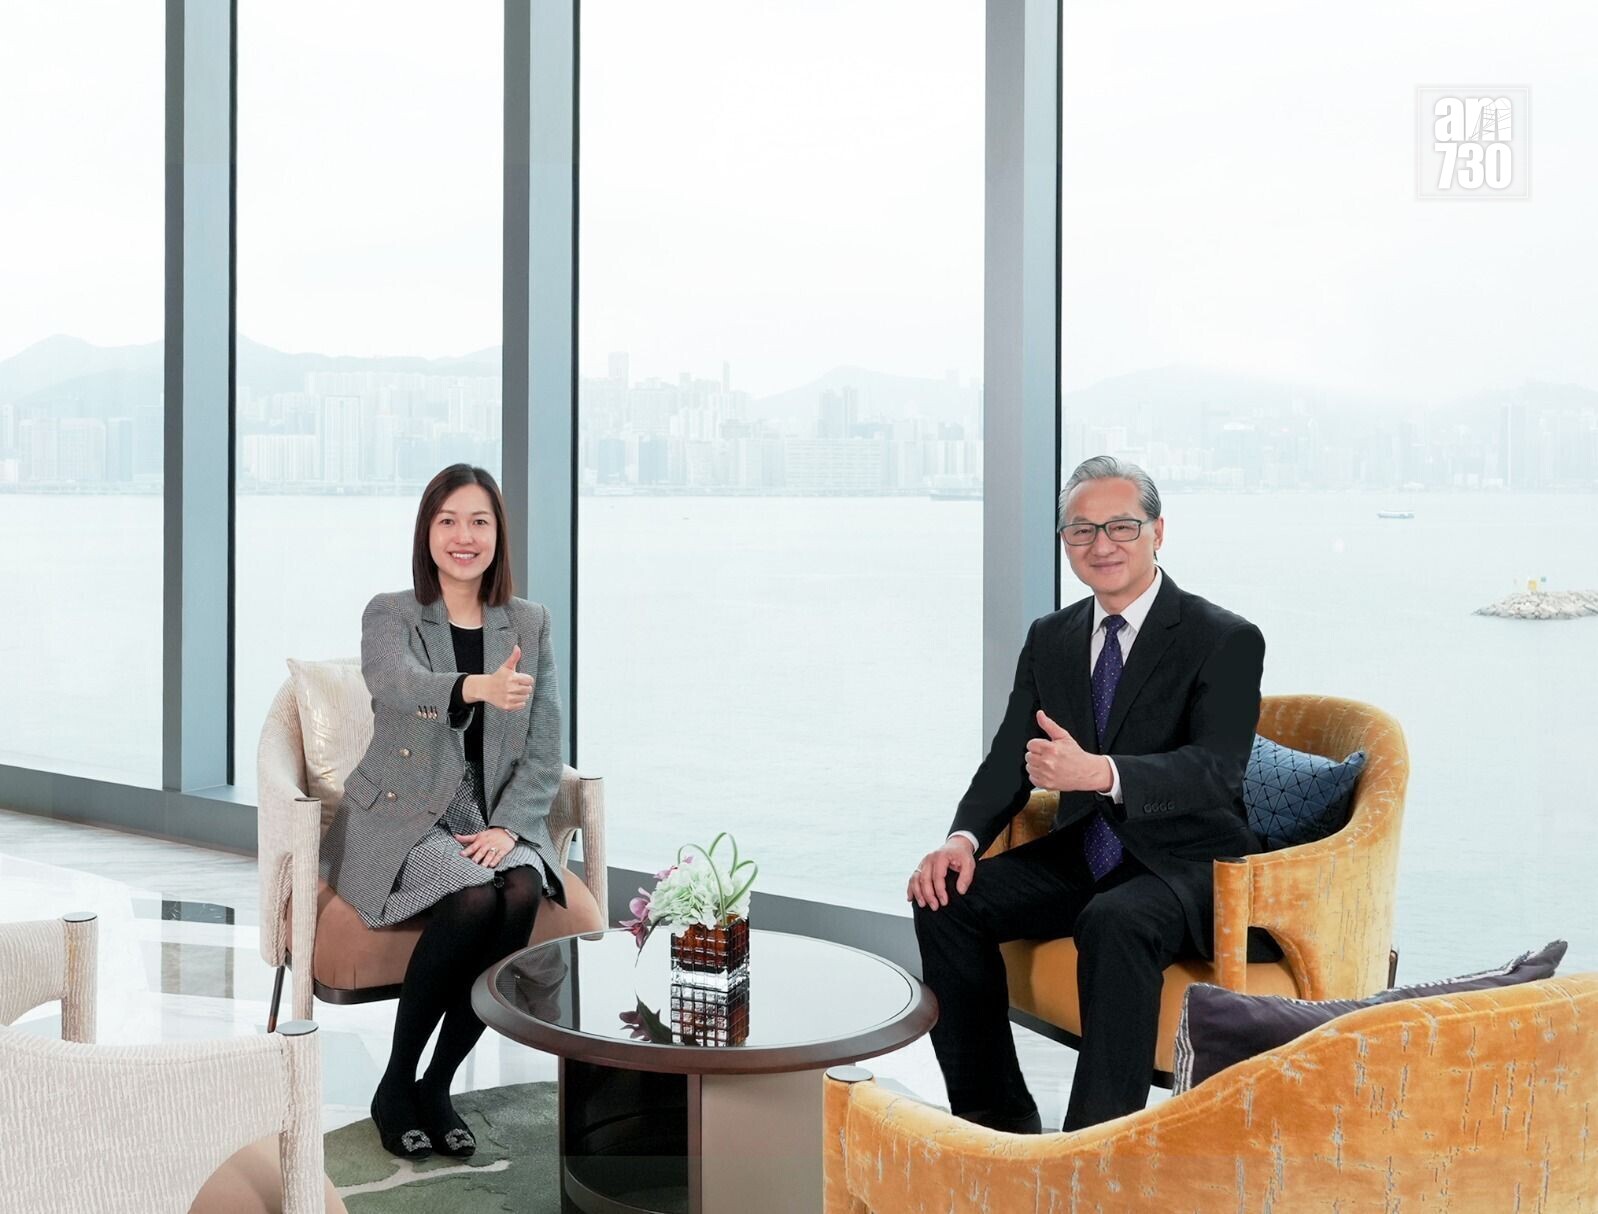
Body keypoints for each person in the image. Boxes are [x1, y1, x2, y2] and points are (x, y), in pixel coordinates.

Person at [908, 455, 1268, 1133]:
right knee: (944, 899)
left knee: (1116, 920)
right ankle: (997, 1125)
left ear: (1159, 532)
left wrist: (1099, 773)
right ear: (1065, 542)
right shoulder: (1052, 638)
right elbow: (1007, 762)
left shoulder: (1224, 637)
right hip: (1088, 852)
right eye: (1081, 531)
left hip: (1190, 861)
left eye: (1121, 527)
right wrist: (960, 841)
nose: (1101, 545)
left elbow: (1216, 771)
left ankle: (1095, 1152)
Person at [321, 463, 569, 1160]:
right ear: (428, 532)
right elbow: (394, 685)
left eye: (479, 522)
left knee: (517, 885)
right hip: (405, 811)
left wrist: (510, 826)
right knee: (470, 896)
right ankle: (395, 1085)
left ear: (498, 536)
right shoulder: (391, 613)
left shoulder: (531, 622)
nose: (465, 536)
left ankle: (438, 1084)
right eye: (449, 521)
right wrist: (476, 686)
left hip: (488, 810)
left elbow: (547, 744)